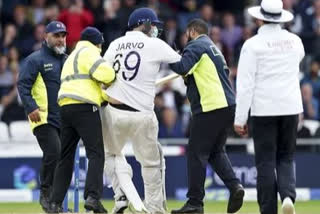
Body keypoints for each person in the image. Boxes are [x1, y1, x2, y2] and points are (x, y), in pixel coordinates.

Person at [100, 7, 181, 214]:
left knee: (111, 155)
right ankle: (154, 208)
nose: (155, 29)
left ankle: (121, 195)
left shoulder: (115, 44)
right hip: (142, 114)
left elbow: (103, 75)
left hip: (113, 111)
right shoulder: (154, 44)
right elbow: (181, 63)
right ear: (143, 24)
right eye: (152, 25)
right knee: (151, 164)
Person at [234, 0, 305, 214]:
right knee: (286, 156)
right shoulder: (295, 41)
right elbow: (298, 61)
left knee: (265, 162)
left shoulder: (252, 45)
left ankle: (268, 210)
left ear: (259, 18)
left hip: (263, 109)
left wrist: (240, 119)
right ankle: (287, 196)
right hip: (291, 106)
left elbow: (245, 85)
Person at [168, 19, 244, 214]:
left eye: (186, 35)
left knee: (195, 153)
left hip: (210, 107)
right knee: (216, 152)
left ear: (192, 31)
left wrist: (168, 56)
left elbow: (182, 66)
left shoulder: (196, 45)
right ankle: (235, 186)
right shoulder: (213, 48)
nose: (186, 40)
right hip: (228, 105)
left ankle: (195, 203)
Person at [47, 27, 116, 213]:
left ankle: (54, 203)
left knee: (65, 157)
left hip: (65, 107)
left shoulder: (71, 57)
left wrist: (101, 97)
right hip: (85, 107)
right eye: (100, 44)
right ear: (97, 42)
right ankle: (93, 197)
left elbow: (82, 82)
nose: (101, 47)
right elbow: (108, 75)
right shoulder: (90, 52)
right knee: (96, 153)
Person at [17, 20, 67, 212]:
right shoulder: (35, 60)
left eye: (63, 36)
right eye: (56, 35)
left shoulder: (67, 60)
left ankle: (56, 203)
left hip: (64, 118)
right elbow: (23, 85)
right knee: (53, 151)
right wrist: (31, 107)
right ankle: (46, 193)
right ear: (46, 37)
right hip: (42, 117)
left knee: (63, 158)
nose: (60, 39)